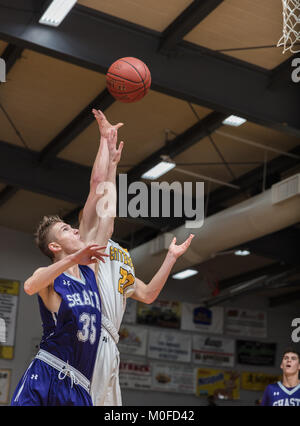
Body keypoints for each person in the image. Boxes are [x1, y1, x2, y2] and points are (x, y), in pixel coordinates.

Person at [79, 109, 194, 406]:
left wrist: (170, 258)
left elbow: (149, 294)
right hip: (91, 337)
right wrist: (105, 143)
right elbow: (98, 185)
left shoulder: (121, 254)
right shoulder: (89, 239)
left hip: (112, 345)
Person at [10, 130, 121, 406]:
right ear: (55, 247)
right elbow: (29, 285)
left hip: (80, 387)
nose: (74, 229)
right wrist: (73, 259)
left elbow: (103, 204)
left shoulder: (89, 271)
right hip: (47, 375)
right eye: (65, 229)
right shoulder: (52, 278)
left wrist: (110, 157)